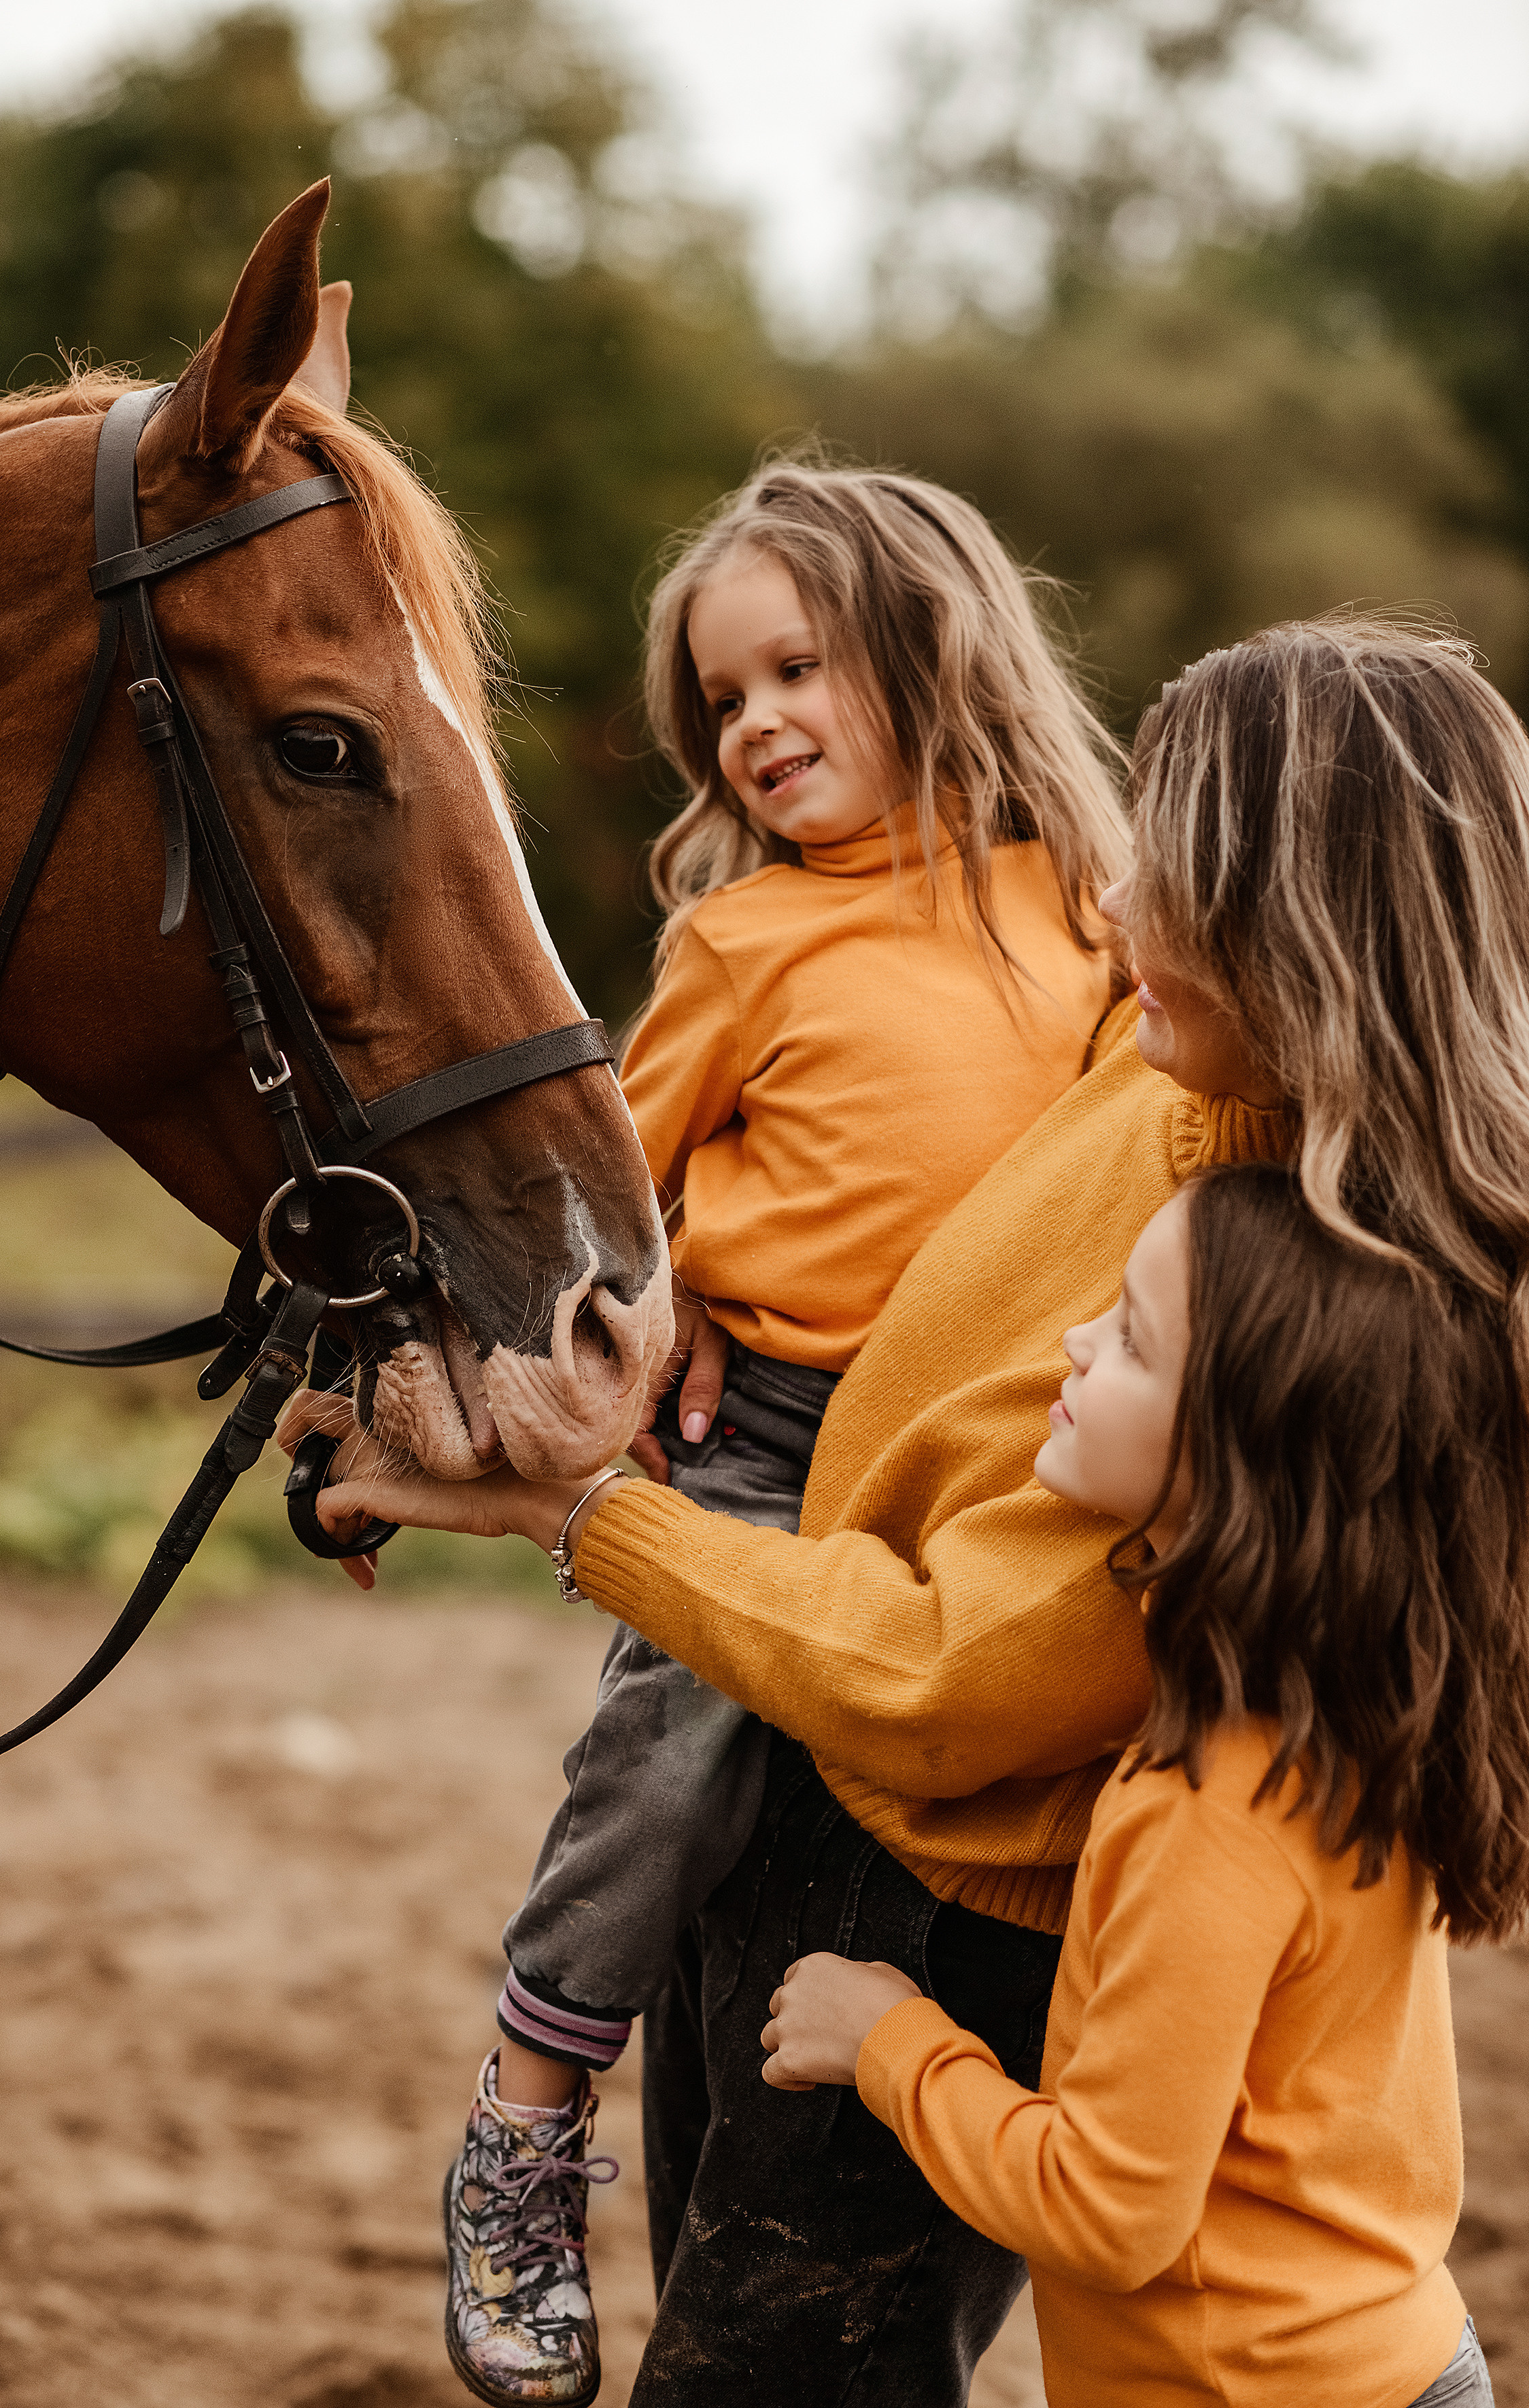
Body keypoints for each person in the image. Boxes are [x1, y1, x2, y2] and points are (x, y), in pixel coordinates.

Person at [288, 618, 1529, 2405]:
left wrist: (573, 1510)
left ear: (1301, 930)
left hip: (943, 1895)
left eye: (1167, 877)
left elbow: (960, 1676)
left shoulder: (1285, 1294)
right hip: (814, 1757)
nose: (1113, 910)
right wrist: (694, 1265)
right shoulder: (1187, 1044)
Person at [403, 459, 1127, 2403]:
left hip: (1000, 1459)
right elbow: (602, 1207)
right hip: (779, 1437)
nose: (755, 727)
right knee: (669, 1761)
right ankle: (528, 2109)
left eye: (797, 668)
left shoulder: (1096, 916)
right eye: (723, 701)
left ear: (935, 645)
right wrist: (685, 1293)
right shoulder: (746, 943)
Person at [762, 1162, 1523, 2406]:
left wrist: (890, 2041)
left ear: (1236, 1456)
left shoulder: (1210, 1809)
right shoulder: (1359, 1711)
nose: (1072, 1340)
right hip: (1385, 2357)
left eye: (1128, 1338)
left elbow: (1108, 2210)